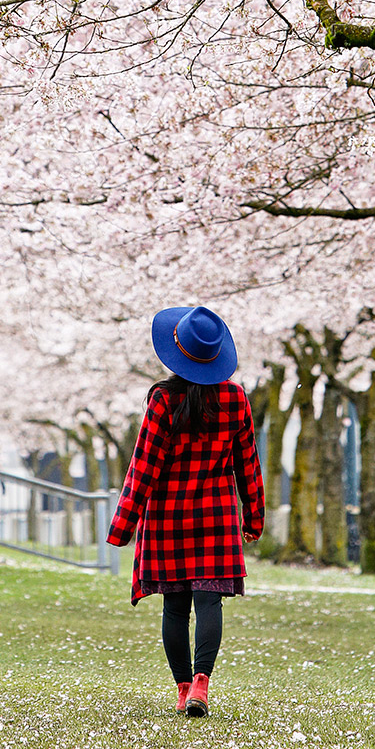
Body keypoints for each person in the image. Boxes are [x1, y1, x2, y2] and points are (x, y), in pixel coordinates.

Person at [107, 304, 265, 718]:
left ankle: (181, 689)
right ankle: (202, 683)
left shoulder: (163, 399)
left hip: (167, 515)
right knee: (209, 602)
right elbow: (248, 462)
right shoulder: (235, 399)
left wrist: (123, 525)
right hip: (216, 514)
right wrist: (255, 516)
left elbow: (143, 465)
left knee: (175, 606)